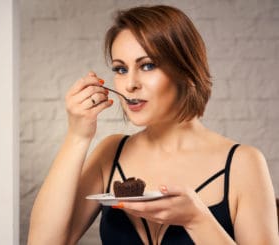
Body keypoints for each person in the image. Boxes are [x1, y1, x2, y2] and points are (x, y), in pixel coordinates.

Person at [27, 5, 278, 245]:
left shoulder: (243, 163)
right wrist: (78, 136)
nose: (130, 84)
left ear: (187, 70)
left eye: (147, 65)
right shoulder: (111, 152)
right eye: (120, 69)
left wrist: (197, 220)